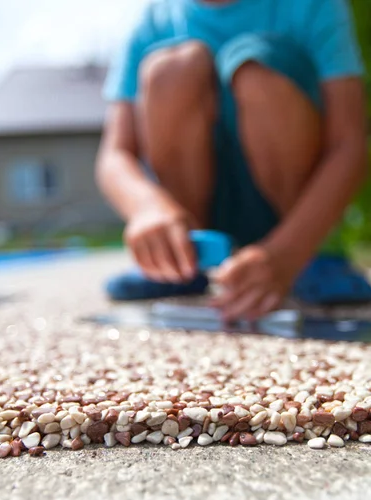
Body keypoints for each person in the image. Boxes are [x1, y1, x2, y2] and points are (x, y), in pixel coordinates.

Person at [95, 0, 369, 321]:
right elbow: (114, 153)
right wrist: (147, 207)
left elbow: (349, 142)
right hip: (199, 223)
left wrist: (288, 252)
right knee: (172, 69)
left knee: (255, 66)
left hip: (300, 226)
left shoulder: (315, 5)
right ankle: (187, 260)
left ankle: (314, 258)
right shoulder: (155, 18)